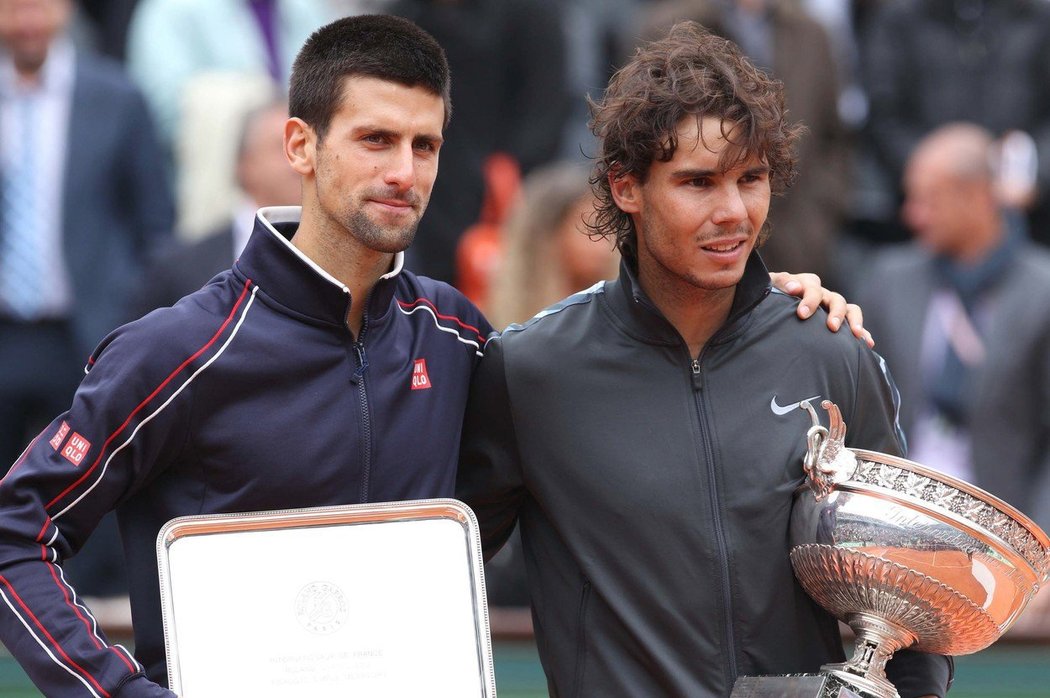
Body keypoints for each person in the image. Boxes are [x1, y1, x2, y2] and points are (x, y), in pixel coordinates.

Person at [0, 13, 872, 696]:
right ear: (300, 146)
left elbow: (619, 360)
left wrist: (761, 301)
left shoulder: (460, 339)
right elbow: (17, 532)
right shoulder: (179, 348)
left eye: (425, 145)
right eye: (375, 140)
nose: (404, 171)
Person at [456, 21, 952, 697]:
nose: (733, 212)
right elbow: (440, 572)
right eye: (697, 182)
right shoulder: (528, 371)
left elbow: (908, 598)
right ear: (626, 187)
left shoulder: (831, 350)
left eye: (751, 179)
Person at [857, 122, 1050, 533]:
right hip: (896, 516)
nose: (912, 215)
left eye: (928, 200)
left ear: (978, 197)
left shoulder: (1041, 294)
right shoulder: (890, 281)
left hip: (1006, 525)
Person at [129, 97, 302, 317]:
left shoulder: (351, 265)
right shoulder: (177, 269)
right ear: (244, 164)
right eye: (285, 147)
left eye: (307, 146)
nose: (302, 160)